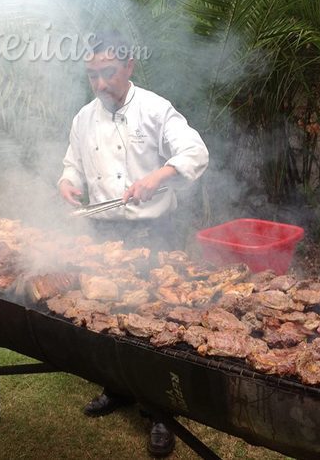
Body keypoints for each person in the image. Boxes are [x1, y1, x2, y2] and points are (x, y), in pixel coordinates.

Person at [58, 31, 209, 457]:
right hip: (104, 233)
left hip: (152, 233)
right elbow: (72, 165)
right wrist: (68, 183)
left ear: (128, 66)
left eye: (108, 73)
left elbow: (194, 152)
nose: (101, 84)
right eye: (92, 76)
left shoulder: (155, 109)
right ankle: (117, 388)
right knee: (107, 316)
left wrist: (157, 177)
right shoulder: (84, 118)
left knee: (153, 322)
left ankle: (160, 413)